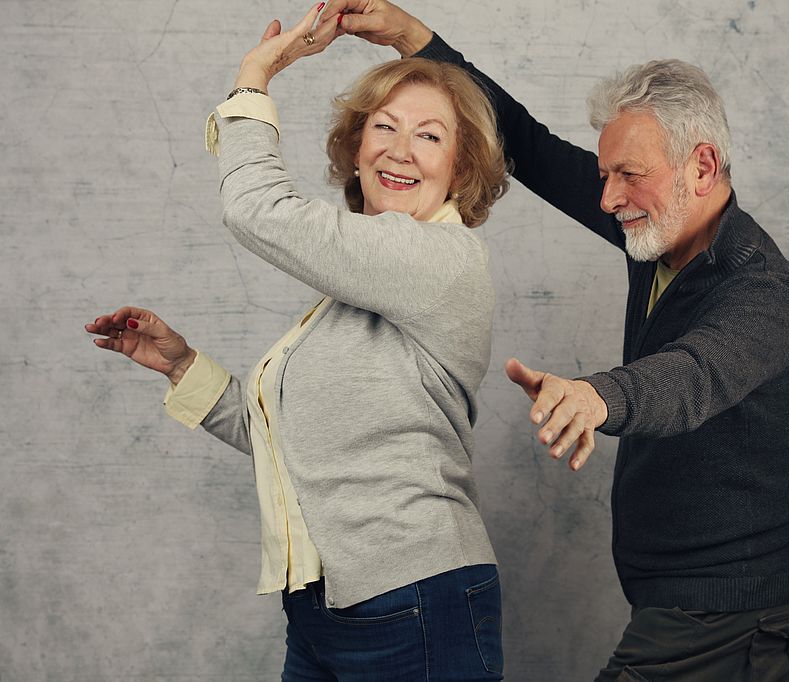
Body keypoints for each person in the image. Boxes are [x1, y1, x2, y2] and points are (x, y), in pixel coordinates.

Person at [323, 1, 789, 680]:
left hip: (735, 619)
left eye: (630, 176)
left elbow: (693, 374)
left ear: (702, 167)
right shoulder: (657, 234)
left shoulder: (764, 295)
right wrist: (414, 40)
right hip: (677, 603)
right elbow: (526, 145)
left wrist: (596, 397)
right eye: (606, 174)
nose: (609, 197)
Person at [86, 5, 509, 680]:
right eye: (384, 127)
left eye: (429, 136)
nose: (400, 150)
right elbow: (297, 443)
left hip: (413, 604)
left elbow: (257, 208)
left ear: (460, 170)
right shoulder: (351, 293)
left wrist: (257, 74)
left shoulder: (440, 259)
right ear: (356, 146)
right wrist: (182, 366)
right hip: (321, 611)